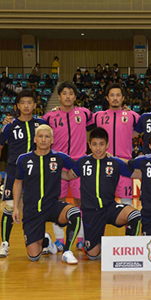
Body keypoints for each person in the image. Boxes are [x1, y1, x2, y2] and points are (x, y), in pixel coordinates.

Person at [63, 128, 141, 260]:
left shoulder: (115, 163)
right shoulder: (83, 162)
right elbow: (68, 175)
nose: (98, 148)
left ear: (107, 145)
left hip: (110, 208)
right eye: (94, 144)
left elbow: (137, 174)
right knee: (93, 255)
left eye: (101, 144)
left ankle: (128, 249)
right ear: (89, 145)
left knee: (134, 215)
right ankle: (91, 245)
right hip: (91, 213)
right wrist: (48, 170)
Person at [12, 125, 81, 264]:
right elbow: (18, 182)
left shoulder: (59, 157)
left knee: (74, 213)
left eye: (47, 136)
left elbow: (78, 166)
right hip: (32, 210)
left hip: (52, 206)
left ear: (52, 140)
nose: (43, 139)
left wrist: (69, 175)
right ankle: (46, 241)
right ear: (35, 139)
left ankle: (67, 251)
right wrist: (15, 207)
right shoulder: (23, 159)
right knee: (34, 256)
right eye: (40, 136)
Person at [42, 81, 93, 251]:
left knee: (80, 201)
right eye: (65, 93)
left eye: (71, 93)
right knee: (58, 201)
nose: (68, 96)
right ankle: (60, 239)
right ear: (59, 97)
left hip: (78, 165)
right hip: (58, 165)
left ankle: (80, 237)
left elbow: (102, 121)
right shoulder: (50, 116)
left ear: (75, 96)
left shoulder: (84, 113)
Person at [0, 89, 47, 258]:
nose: (26, 106)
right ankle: (5, 243)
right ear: (17, 106)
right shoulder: (9, 124)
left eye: (30, 103)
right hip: (14, 171)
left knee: (36, 207)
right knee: (11, 206)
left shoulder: (41, 124)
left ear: (35, 105)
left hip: (36, 171)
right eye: (23, 103)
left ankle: (41, 239)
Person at [88, 83, 140, 205]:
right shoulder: (98, 116)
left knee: (127, 202)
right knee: (101, 201)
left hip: (125, 164)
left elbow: (145, 126)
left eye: (118, 95)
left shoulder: (132, 116)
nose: (115, 98)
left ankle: (129, 224)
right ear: (107, 98)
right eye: (112, 95)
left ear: (123, 98)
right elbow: (79, 125)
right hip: (103, 163)